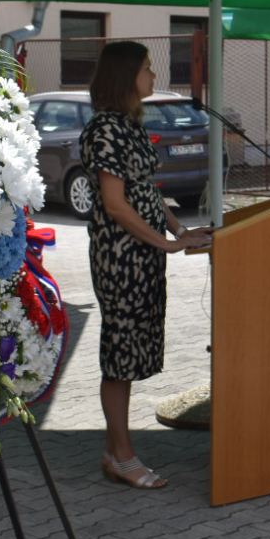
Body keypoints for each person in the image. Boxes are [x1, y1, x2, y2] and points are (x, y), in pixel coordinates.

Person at [81, 42, 212, 490]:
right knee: (119, 358)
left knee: (132, 353)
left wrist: (179, 232)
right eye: (146, 69)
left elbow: (148, 192)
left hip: (145, 257)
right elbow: (116, 206)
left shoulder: (131, 127)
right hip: (120, 259)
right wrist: (164, 242)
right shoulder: (103, 131)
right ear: (125, 77)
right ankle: (120, 455)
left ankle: (117, 449)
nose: (154, 77)